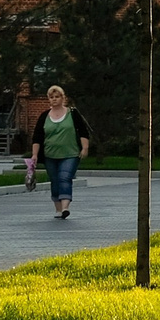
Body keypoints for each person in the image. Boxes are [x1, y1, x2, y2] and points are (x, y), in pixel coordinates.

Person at [28, 85, 91, 221]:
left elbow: (83, 131)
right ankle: (58, 208)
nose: (54, 99)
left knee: (64, 177)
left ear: (63, 98)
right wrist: (35, 155)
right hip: (50, 155)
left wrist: (84, 148)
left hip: (70, 154)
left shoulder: (72, 114)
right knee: (55, 180)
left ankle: (65, 207)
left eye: (57, 97)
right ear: (48, 100)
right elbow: (37, 137)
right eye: (51, 97)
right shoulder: (44, 116)